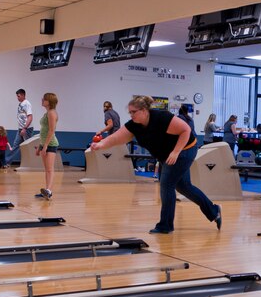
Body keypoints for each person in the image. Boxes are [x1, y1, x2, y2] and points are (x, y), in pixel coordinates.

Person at [90, 95, 221, 235]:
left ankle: (165, 226)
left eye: (134, 112)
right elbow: (116, 138)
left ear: (145, 110)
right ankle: (214, 211)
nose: (131, 115)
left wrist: (176, 152)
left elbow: (185, 130)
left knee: (166, 185)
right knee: (183, 186)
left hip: (185, 149)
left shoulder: (161, 117)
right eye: (130, 112)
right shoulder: (134, 126)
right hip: (168, 154)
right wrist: (100, 145)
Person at [34, 92, 59, 200]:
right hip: (45, 143)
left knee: (49, 169)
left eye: (44, 99)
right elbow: (43, 132)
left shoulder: (52, 113)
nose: (42, 100)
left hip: (51, 144)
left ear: (49, 102)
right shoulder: (47, 113)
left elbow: (51, 131)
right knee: (46, 169)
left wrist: (45, 147)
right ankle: (46, 190)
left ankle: (49, 190)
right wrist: (40, 146)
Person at [7, 88, 33, 164]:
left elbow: (30, 117)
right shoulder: (20, 104)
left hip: (27, 129)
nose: (17, 98)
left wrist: (25, 128)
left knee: (28, 147)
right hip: (21, 129)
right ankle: (6, 162)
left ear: (23, 95)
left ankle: (31, 163)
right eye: (17, 96)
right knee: (15, 146)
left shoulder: (27, 103)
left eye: (18, 96)